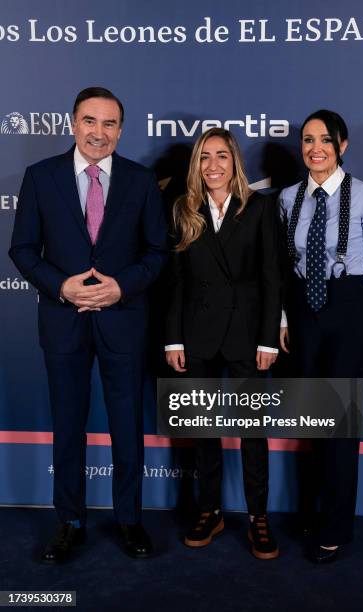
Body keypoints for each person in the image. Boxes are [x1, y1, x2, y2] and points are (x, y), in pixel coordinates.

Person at [9, 87, 167, 563]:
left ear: (121, 129)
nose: (99, 133)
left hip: (123, 320)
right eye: (90, 121)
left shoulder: (141, 182)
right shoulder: (40, 178)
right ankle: (70, 521)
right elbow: (22, 249)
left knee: (126, 426)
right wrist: (62, 287)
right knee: (68, 425)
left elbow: (158, 253)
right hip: (63, 321)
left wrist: (122, 287)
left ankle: (129, 519)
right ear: (73, 123)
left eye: (110, 124)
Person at [279, 109, 363, 563]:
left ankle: (335, 528)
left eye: (325, 140)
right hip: (304, 310)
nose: (315, 149)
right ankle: (310, 511)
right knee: (311, 418)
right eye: (308, 140)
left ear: (342, 146)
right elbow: (287, 267)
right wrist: (284, 320)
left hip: (349, 307)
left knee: (341, 422)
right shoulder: (289, 197)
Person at [165, 127, 281, 560]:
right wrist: (172, 338)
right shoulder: (183, 209)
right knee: (203, 430)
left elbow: (272, 276)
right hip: (197, 336)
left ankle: (258, 516)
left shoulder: (259, 208)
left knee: (253, 432)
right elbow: (175, 282)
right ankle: (209, 509)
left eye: (222, 157)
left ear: (235, 163)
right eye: (204, 157)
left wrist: (269, 338)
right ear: (196, 164)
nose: (213, 165)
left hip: (248, 337)